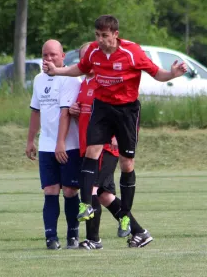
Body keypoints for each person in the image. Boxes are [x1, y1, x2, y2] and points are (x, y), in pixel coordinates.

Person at [42, 15, 187, 247]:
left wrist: (172, 74)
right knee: (91, 151)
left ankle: (127, 218)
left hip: (127, 111)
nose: (100, 40)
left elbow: (157, 74)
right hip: (103, 107)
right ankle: (86, 205)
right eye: (97, 36)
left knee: (127, 164)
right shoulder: (92, 52)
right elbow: (79, 68)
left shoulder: (132, 52)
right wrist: (56, 71)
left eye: (105, 36)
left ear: (115, 35)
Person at [69, 42, 152, 249]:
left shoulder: (106, 82)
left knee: (94, 189)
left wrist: (117, 137)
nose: (87, 62)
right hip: (90, 148)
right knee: (105, 195)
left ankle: (93, 239)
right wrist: (74, 111)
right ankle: (139, 232)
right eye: (83, 58)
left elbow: (124, 113)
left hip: (107, 149)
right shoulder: (84, 85)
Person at [26, 39, 81, 250]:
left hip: (68, 145)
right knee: (50, 190)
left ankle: (72, 235)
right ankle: (51, 237)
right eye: (45, 55)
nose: (48, 59)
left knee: (69, 191)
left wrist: (61, 144)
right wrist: (31, 140)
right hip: (46, 146)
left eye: (53, 55)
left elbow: (65, 112)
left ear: (63, 56)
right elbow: (35, 111)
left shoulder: (69, 79)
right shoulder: (38, 80)